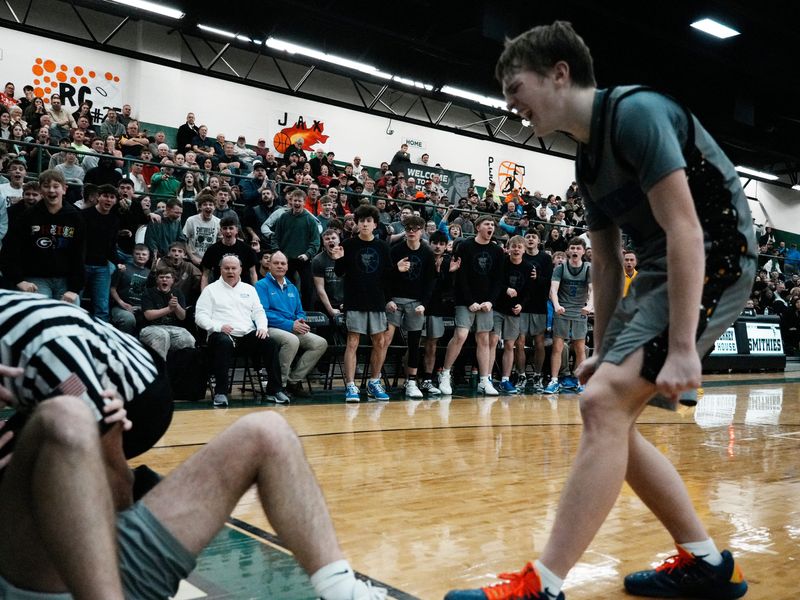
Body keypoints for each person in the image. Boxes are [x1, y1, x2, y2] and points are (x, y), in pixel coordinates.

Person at [446, 21, 756, 600]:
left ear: (559, 74)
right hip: (663, 267)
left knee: (602, 406)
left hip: (714, 255)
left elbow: (687, 230)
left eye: (515, 88)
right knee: (610, 414)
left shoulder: (636, 114)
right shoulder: (585, 162)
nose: (509, 104)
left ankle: (544, 585)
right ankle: (709, 564)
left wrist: (685, 347)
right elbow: (609, 264)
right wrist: (604, 348)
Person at [0, 294, 386, 600]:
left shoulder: (48, 345)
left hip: (104, 561)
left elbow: (113, 498)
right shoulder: (49, 355)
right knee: (65, 417)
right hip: (39, 572)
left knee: (267, 430)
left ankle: (344, 591)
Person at [195, 254, 288, 406]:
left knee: (269, 342)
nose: (230, 271)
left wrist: (263, 328)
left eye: (233, 268)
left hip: (246, 335)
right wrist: (218, 327)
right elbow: (200, 316)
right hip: (220, 335)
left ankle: (275, 390)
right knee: (223, 342)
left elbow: (259, 312)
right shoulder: (210, 290)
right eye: (226, 268)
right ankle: (221, 393)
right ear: (220, 270)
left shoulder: (249, 289)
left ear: (240, 270)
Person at [436, 216, 504, 396]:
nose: (490, 227)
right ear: (477, 227)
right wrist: (470, 301)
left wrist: (490, 301)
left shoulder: (497, 251)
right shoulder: (465, 246)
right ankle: (445, 373)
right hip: (465, 300)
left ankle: (484, 380)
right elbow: (460, 276)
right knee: (461, 335)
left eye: (492, 225)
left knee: (484, 339)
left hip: (486, 303)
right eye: (487, 224)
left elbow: (498, 280)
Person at [331, 204, 392, 402]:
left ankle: (374, 382)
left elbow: (387, 275)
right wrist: (338, 259)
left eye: (368, 221)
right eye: (361, 221)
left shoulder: (383, 246)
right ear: (356, 224)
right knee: (352, 342)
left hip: (376, 300)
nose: (365, 224)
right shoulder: (348, 244)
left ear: (375, 224)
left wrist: (396, 272)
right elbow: (340, 272)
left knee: (380, 342)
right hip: (354, 299)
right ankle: (350, 386)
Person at [256, 251, 328, 398]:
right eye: (276, 263)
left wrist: (300, 320)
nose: (280, 266)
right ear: (269, 265)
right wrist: (290, 324)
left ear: (287, 267)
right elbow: (263, 312)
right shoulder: (261, 285)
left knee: (320, 343)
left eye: (283, 263)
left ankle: (293, 381)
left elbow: (299, 311)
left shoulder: (292, 287)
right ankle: (278, 385)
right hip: (270, 328)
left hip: (292, 326)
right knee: (291, 340)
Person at [383, 215, 435, 398]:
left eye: (415, 229)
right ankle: (376, 380)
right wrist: (388, 298)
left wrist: (424, 305)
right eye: (408, 228)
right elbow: (385, 277)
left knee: (414, 343)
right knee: (385, 340)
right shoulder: (395, 250)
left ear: (422, 231)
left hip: (416, 303)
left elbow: (430, 282)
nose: (411, 232)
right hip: (395, 300)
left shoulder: (428, 253)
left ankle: (411, 381)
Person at [543, 237, 593, 395]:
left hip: (580, 311)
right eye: (573, 248)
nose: (575, 251)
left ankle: (581, 382)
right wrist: (557, 305)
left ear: (583, 252)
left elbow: (593, 290)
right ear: (568, 251)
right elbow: (553, 290)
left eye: (578, 248)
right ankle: (554, 381)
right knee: (557, 347)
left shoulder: (588, 268)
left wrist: (589, 306)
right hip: (562, 310)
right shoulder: (560, 268)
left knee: (580, 348)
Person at [515, 230, 553, 392]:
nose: (530, 239)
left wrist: (538, 278)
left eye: (533, 237)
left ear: (539, 241)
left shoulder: (545, 258)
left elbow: (549, 281)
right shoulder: (520, 256)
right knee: (520, 343)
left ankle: (538, 375)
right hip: (521, 305)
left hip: (539, 305)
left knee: (539, 343)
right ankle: (521, 375)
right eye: (528, 237)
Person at [139, 266, 196, 360]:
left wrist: (176, 306)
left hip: (172, 328)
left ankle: (182, 371)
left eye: (167, 277)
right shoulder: (148, 292)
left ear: (172, 280)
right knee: (162, 336)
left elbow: (182, 317)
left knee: (188, 339)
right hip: (150, 328)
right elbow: (148, 315)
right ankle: (160, 370)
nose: (164, 280)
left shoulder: (178, 292)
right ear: (157, 280)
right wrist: (169, 309)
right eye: (161, 277)